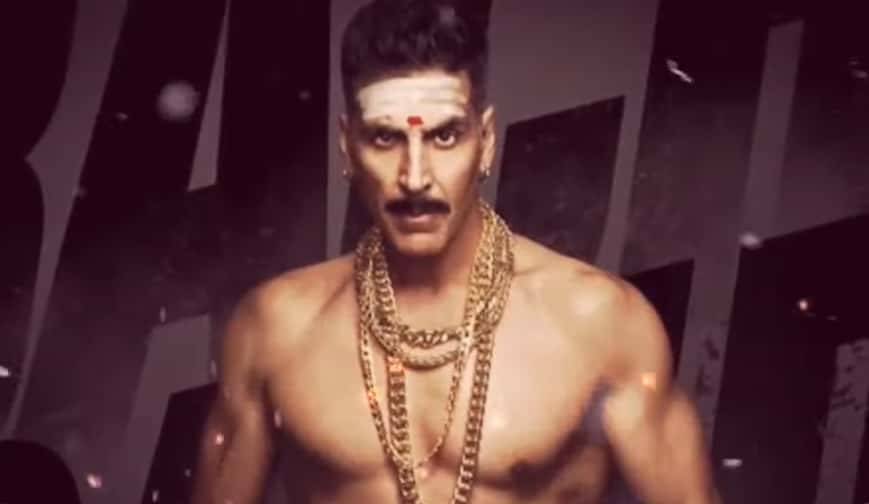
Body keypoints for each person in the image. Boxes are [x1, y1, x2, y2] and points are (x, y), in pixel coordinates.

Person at [191, 0, 720, 502]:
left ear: (485, 141)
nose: (415, 177)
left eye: (444, 137)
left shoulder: (602, 325)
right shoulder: (274, 330)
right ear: (347, 146)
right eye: (385, 139)